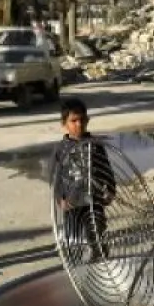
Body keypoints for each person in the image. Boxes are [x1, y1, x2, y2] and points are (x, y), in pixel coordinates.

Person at [53, 98, 115, 257]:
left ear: (87, 120)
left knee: (96, 229)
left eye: (82, 120)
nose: (79, 124)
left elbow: (106, 168)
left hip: (94, 198)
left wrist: (110, 189)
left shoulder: (95, 145)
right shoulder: (61, 149)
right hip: (72, 201)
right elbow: (55, 177)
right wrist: (60, 197)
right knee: (73, 236)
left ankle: (99, 255)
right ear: (64, 124)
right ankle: (76, 260)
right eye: (73, 121)